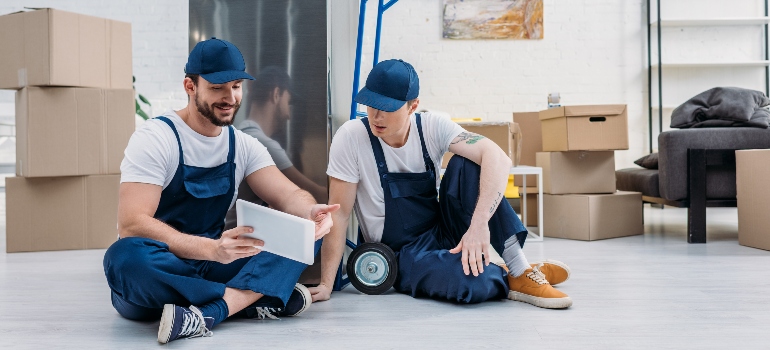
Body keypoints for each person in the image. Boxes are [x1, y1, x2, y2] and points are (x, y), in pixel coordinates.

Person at [102, 38, 339, 344]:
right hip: (159, 267)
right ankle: (253, 298)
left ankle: (209, 313)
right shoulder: (157, 138)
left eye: (237, 86)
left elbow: (289, 195)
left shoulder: (242, 145)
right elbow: (132, 223)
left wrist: (310, 211)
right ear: (190, 86)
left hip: (214, 265)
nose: (230, 97)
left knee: (305, 236)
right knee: (123, 258)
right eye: (217, 88)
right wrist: (212, 249)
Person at [309, 59, 572, 308]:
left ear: (413, 106)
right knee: (472, 284)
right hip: (404, 254)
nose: (376, 116)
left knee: (469, 162)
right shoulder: (352, 137)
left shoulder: (431, 127)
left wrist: (479, 224)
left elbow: (498, 158)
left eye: (387, 108)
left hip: (444, 231)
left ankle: (519, 268)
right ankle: (511, 274)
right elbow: (340, 213)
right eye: (371, 105)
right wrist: (326, 283)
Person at [224, 67, 327, 230]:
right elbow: (316, 194)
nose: (289, 115)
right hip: (240, 241)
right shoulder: (261, 143)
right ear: (276, 94)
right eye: (289, 101)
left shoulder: (243, 132)